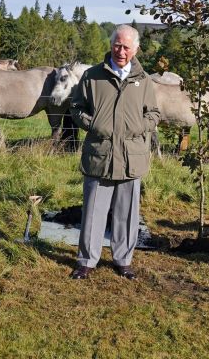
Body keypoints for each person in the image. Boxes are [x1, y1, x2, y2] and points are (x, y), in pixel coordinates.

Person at [68, 25, 161, 280]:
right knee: (93, 211)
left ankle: (123, 260)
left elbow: (154, 114)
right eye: (117, 45)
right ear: (111, 45)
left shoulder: (144, 80)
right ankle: (87, 261)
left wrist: (138, 127)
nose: (121, 51)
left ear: (136, 49)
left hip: (132, 156)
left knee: (127, 213)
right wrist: (94, 124)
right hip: (100, 153)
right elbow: (76, 108)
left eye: (126, 47)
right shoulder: (92, 76)